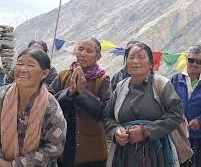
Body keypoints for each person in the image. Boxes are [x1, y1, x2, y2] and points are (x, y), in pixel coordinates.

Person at [103, 42, 184, 167]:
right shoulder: (120, 87)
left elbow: (176, 114)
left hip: (156, 153)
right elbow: (107, 117)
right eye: (131, 57)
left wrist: (145, 131)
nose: (135, 61)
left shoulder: (161, 84)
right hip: (124, 153)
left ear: (151, 63)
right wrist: (115, 132)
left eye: (141, 57)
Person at [50, 38, 111, 167]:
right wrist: (69, 92)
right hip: (64, 142)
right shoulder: (63, 76)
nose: (83, 54)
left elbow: (105, 112)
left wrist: (82, 92)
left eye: (89, 51)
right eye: (80, 49)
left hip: (92, 149)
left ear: (97, 57)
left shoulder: (103, 80)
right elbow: (48, 104)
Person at [0, 49, 66, 166]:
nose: (22, 69)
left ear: (44, 74)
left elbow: (54, 148)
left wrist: (13, 165)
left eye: (30, 65)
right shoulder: (2, 95)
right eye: (19, 64)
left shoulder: (51, 107)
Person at [170, 45, 201, 167]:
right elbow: (166, 105)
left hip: (200, 138)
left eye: (199, 61)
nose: (195, 64)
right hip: (177, 136)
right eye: (191, 60)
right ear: (187, 59)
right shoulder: (174, 80)